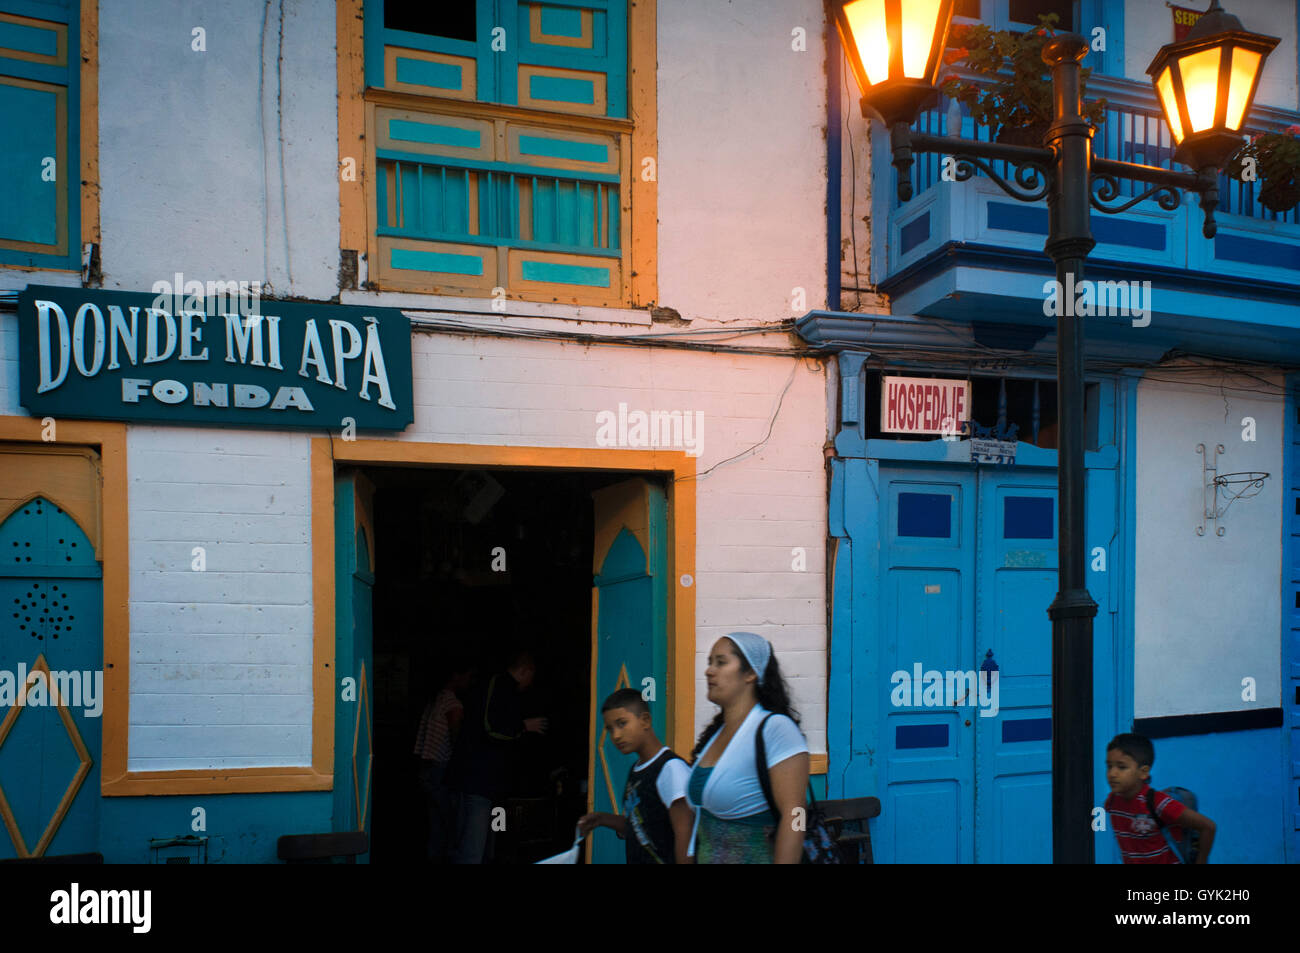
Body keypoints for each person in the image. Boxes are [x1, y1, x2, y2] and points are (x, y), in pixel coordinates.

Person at [686, 632, 809, 864]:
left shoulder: (776, 729)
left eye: (721, 662)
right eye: (710, 662)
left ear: (751, 673)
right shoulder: (715, 735)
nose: (709, 671)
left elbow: (796, 814)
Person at [447, 649, 548, 864]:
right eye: (531, 675)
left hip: (486, 783)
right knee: (472, 849)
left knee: (479, 845)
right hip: (478, 781)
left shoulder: (503, 689)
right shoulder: (499, 685)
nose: (531, 682)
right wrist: (524, 726)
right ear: (525, 670)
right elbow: (491, 727)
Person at [578, 688, 693, 864]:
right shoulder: (636, 770)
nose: (615, 735)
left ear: (645, 720)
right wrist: (601, 819)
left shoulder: (671, 769)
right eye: (610, 729)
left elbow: (685, 837)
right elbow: (638, 827)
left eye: (622, 723)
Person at [1104, 732, 1216, 864]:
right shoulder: (1112, 802)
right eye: (1109, 766)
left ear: (1143, 772)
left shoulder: (1158, 803)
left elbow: (1208, 826)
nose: (1112, 774)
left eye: (1122, 767)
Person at [412, 659, 470, 863]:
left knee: (436, 821)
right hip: (442, 768)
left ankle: (434, 856)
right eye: (467, 675)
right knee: (451, 823)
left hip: (426, 766)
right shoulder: (452, 703)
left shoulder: (434, 699)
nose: (468, 680)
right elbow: (456, 738)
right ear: (456, 676)